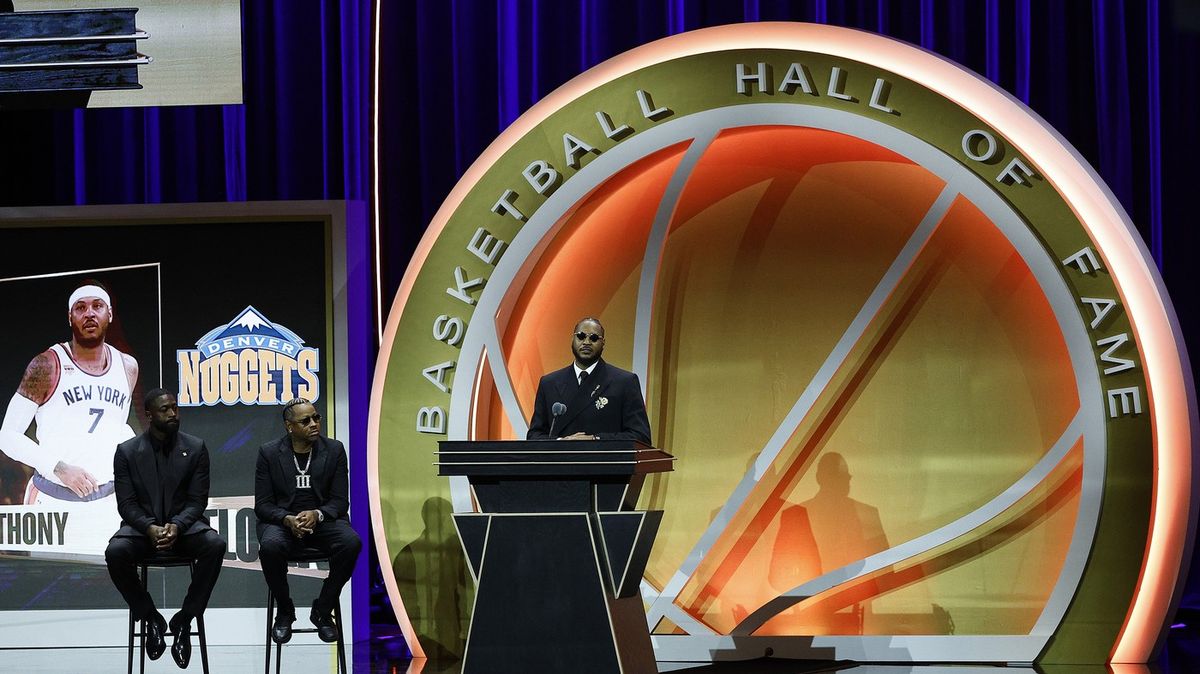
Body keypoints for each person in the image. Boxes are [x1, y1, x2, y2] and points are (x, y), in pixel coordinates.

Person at [105, 389, 225, 669]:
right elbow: (127, 504)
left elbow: (197, 501)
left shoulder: (195, 448)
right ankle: (150, 617)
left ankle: (185, 619)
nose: (173, 414)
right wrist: (149, 528)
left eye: (175, 408)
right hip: (142, 533)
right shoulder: (127, 452)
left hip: (184, 530)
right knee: (116, 551)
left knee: (215, 545)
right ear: (148, 415)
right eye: (165, 410)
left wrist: (177, 525)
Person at [0, 281, 138, 505]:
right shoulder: (47, 365)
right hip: (55, 497)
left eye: (97, 306)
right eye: (81, 308)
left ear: (110, 314)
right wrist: (59, 468)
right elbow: (7, 436)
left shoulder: (128, 367)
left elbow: (116, 426)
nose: (89, 313)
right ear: (70, 317)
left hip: (109, 498)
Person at [256, 397, 361, 644]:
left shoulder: (334, 450)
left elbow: (339, 502)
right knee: (270, 547)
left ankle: (323, 611)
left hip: (323, 522)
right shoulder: (269, 453)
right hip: (283, 523)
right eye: (306, 421)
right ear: (289, 426)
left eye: (316, 418)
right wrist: (288, 519)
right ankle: (284, 611)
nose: (314, 424)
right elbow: (263, 505)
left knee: (351, 543)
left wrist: (317, 515)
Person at [526, 317, 651, 443]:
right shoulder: (549, 383)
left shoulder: (624, 382)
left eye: (594, 338)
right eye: (581, 336)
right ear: (572, 339)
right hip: (562, 461)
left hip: (602, 461)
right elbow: (534, 436)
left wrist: (595, 439)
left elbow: (640, 436)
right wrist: (561, 442)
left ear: (603, 343)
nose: (586, 342)